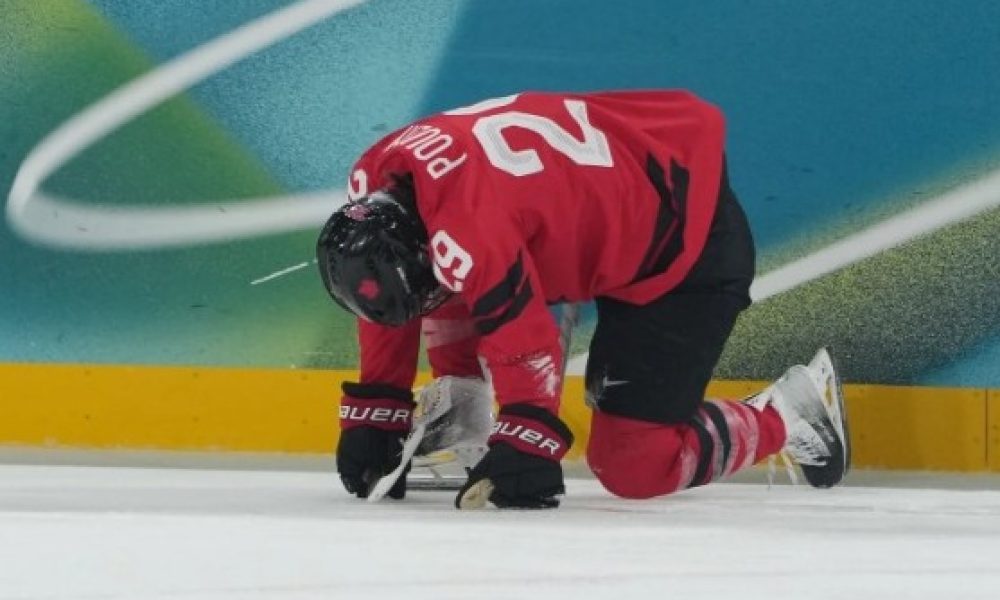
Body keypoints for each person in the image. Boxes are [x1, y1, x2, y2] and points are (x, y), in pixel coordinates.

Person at [316, 90, 849, 509]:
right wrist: (377, 405)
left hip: (684, 246)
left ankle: (792, 412)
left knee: (635, 467)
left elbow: (527, 342)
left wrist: (528, 435)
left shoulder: (466, 230)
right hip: (604, 196)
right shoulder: (377, 182)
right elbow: (389, 288)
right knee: (444, 274)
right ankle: (466, 405)